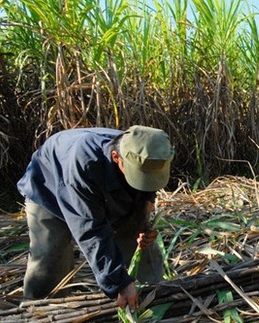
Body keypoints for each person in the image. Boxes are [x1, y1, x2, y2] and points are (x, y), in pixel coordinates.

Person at [17, 125, 175, 310]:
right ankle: (38, 314)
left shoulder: (152, 152)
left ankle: (157, 298)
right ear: (117, 158)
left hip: (101, 182)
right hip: (50, 187)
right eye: (140, 175)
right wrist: (119, 283)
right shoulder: (85, 164)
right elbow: (91, 230)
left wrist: (144, 220)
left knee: (139, 243)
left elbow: (148, 188)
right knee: (51, 255)